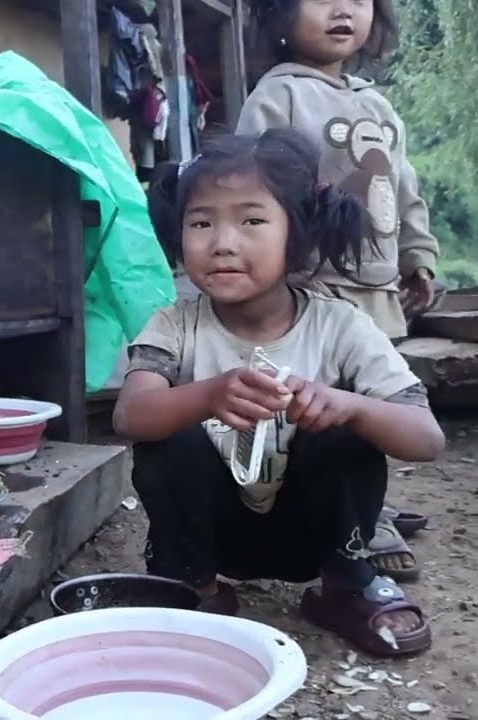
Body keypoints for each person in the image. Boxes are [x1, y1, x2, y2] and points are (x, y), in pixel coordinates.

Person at [114, 129, 445, 657]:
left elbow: (426, 440)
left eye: (251, 220)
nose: (222, 242)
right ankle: (195, 589)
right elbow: (131, 416)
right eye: (201, 222)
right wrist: (206, 396)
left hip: (314, 532)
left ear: (299, 233)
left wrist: (353, 407)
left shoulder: (342, 326)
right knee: (168, 436)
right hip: (212, 534)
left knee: (346, 433)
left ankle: (346, 586)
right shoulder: (174, 325)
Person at [236, 0, 440, 583]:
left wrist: (418, 256)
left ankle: (367, 503)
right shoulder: (279, 97)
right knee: (317, 407)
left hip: (377, 291)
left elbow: (404, 189)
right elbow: (252, 187)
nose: (343, 10)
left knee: (374, 402)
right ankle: (347, 521)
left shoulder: (377, 104)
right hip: (311, 287)